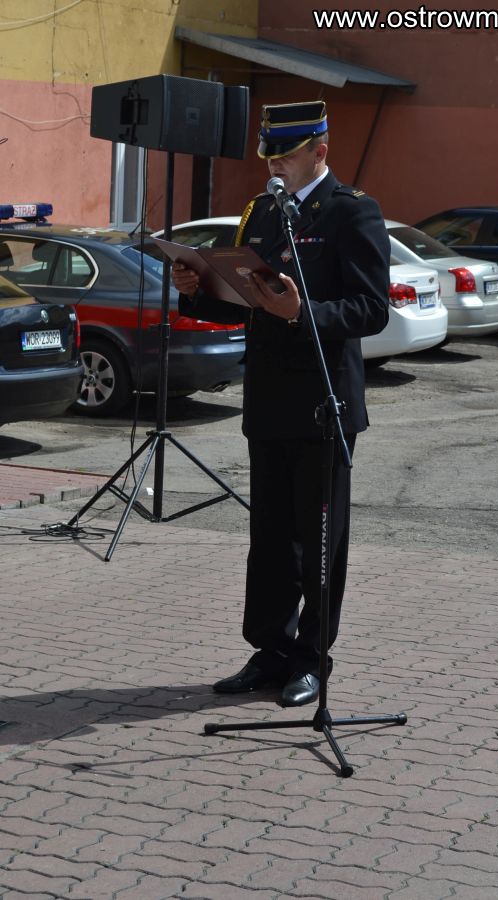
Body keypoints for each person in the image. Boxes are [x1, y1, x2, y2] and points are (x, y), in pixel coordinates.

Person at [172, 100, 390, 706]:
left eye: (286, 155)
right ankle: (269, 650)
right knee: (269, 539)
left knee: (319, 539)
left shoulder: (352, 211)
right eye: (269, 154)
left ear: (320, 152)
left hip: (324, 401)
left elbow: (372, 309)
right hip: (268, 399)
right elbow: (243, 298)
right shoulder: (261, 211)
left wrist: (304, 312)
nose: (274, 164)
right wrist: (195, 291)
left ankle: (312, 659)